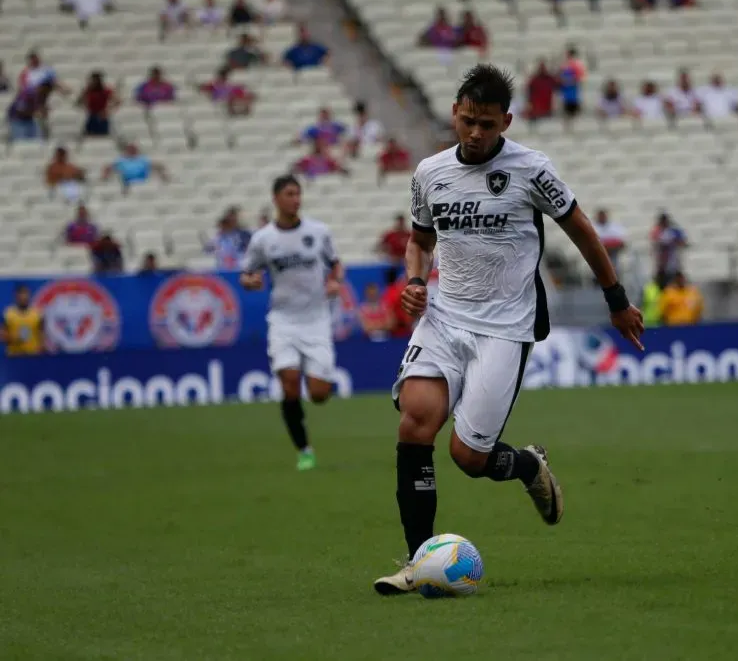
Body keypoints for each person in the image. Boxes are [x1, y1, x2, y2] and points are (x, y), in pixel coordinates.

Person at [373, 64, 645, 595]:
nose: (476, 134)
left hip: (504, 328)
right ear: (454, 112)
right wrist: (412, 279)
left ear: (507, 122)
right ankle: (417, 560)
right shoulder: (430, 173)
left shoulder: (531, 170)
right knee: (415, 425)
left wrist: (616, 300)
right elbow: (420, 240)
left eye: (489, 125)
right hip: (444, 320)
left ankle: (526, 465)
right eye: (469, 120)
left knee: (469, 457)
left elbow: (581, 230)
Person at [240, 176, 345, 472]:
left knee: (319, 394)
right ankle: (304, 450)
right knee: (289, 384)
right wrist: (252, 281)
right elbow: (246, 274)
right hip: (283, 321)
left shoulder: (319, 232)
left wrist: (335, 280)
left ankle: (308, 425)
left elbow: (335, 263)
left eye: (298, 194)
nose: (295, 199)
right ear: (276, 199)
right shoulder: (263, 239)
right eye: (289, 194)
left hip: (316, 321)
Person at [1, 285, 45, 356]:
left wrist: (41, 348)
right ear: (16, 297)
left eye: (25, 294)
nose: (23, 297)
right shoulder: (8, 314)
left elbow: (43, 336)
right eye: (21, 295)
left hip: (33, 355)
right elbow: (2, 336)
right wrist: (15, 338)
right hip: (14, 356)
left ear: (29, 296)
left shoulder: (37, 314)